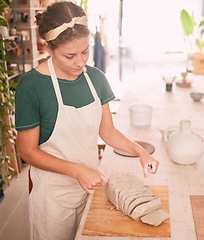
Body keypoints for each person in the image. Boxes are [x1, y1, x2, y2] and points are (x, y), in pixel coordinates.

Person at [14, 2, 159, 239]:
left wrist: (140, 151)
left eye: (85, 51)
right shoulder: (31, 86)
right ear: (48, 47)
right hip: (53, 196)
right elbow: (27, 152)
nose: (80, 62)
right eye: (69, 56)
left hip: (90, 188)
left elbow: (108, 131)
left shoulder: (96, 78)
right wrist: (77, 170)